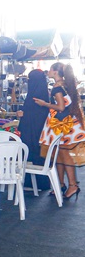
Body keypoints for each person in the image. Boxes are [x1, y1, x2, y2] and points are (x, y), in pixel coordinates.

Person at [34, 62, 85, 200]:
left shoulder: (57, 87)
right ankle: (61, 184)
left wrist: (44, 104)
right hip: (68, 124)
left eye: (50, 69)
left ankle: (72, 185)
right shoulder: (66, 84)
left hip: (61, 125)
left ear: (55, 72)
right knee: (59, 154)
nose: (48, 71)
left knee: (63, 154)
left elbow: (60, 107)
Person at [18, 70, 51, 191]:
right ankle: (39, 182)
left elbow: (32, 115)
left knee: (30, 153)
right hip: (40, 133)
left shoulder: (35, 97)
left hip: (31, 133)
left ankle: (31, 182)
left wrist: (23, 115)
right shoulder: (43, 95)